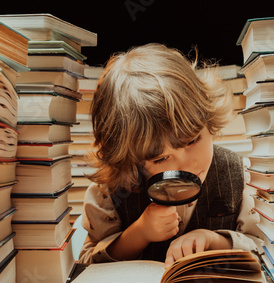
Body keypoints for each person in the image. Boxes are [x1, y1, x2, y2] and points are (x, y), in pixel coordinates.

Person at [78, 43, 262, 268]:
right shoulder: (110, 192)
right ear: (130, 161)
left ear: (207, 119)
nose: (186, 164)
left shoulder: (241, 176)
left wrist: (215, 241)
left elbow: (264, 249)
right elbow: (86, 261)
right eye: (160, 159)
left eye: (193, 140)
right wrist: (139, 233)